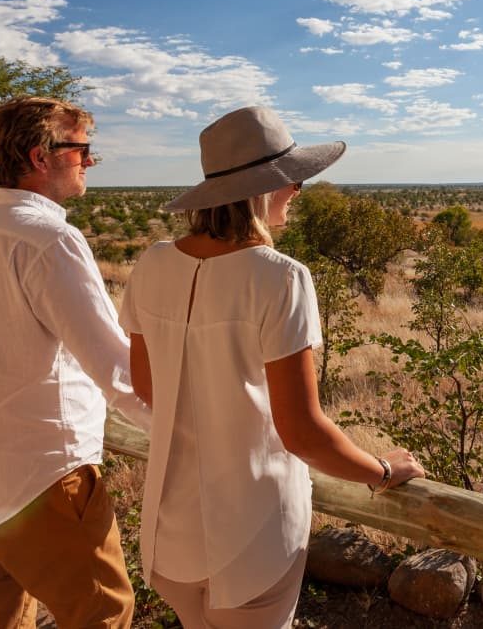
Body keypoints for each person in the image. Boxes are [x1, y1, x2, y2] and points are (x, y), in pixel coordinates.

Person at [122, 105, 424, 629]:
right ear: (266, 188)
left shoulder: (152, 262)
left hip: (170, 530)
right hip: (251, 536)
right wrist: (381, 471)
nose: (298, 192)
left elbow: (147, 385)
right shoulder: (280, 278)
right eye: (295, 181)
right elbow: (301, 431)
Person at [0, 96, 152, 629]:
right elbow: (118, 373)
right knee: (103, 613)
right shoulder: (51, 240)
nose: (90, 162)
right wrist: (194, 431)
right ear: (40, 157)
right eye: (81, 149)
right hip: (42, 474)